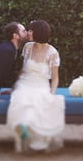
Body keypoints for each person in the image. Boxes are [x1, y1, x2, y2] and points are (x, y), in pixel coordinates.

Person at [6, 19, 65, 152]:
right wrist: (14, 86)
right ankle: (23, 132)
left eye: (30, 30)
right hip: (25, 82)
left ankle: (36, 136)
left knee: (39, 100)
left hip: (41, 84)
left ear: (38, 32)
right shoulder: (27, 47)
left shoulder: (52, 52)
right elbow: (22, 70)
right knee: (20, 97)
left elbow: (55, 78)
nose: (27, 32)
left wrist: (52, 92)